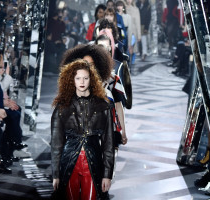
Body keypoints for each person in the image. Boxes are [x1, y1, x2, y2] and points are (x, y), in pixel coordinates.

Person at [51, 59, 114, 200]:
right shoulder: (62, 107)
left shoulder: (103, 106)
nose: (82, 82)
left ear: (91, 79)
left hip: (94, 162)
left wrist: (107, 174)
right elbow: (56, 144)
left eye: (86, 78)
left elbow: (108, 144)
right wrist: (55, 174)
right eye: (78, 78)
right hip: (69, 162)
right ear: (71, 80)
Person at [125, 0, 141, 65]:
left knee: (132, 47)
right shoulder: (123, 8)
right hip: (125, 31)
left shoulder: (136, 9)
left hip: (133, 32)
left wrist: (139, 35)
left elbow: (138, 23)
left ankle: (131, 62)